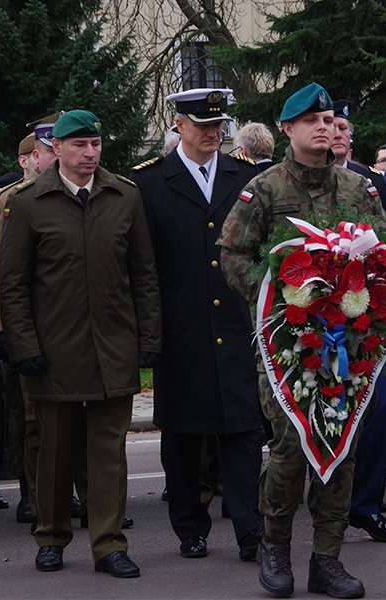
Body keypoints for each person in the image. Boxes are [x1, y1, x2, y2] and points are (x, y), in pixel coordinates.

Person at [219, 82, 386, 599]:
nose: (324, 127)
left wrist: (379, 296)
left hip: (349, 340)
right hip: (287, 343)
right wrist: (280, 297)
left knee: (340, 447)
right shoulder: (265, 188)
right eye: (311, 120)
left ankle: (328, 559)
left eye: (329, 119)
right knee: (293, 445)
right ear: (288, 129)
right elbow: (232, 255)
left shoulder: (358, 188)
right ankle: (274, 547)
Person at [0, 110, 162, 578]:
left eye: (95, 144)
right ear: (57, 150)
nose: (90, 154)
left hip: (114, 346)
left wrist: (149, 337)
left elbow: (143, 274)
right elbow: (12, 284)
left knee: (109, 452)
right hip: (55, 350)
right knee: (55, 449)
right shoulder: (29, 201)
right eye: (79, 146)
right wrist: (24, 346)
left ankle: (109, 544)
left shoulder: (124, 196)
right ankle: (50, 536)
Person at [129, 88, 265, 561]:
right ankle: (190, 526)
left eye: (218, 125)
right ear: (179, 126)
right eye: (202, 124)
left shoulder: (245, 176)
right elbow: (142, 264)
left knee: (243, 428)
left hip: (235, 319)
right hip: (180, 323)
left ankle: (250, 526)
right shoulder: (148, 183)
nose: (213, 133)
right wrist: (149, 332)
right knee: (184, 433)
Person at [0, 113, 60, 529]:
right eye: (47, 150)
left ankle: (77, 495)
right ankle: (35, 496)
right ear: (35, 155)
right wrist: (0, 331)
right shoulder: (10, 198)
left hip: (75, 328)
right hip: (28, 328)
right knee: (34, 422)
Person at [330, 101, 386, 542]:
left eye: (340, 126)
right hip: (317, 314)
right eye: (325, 125)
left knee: (378, 407)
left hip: (367, 311)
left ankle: (367, 504)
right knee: (328, 411)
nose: (333, 133)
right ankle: (327, 505)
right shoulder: (281, 184)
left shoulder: (369, 183)